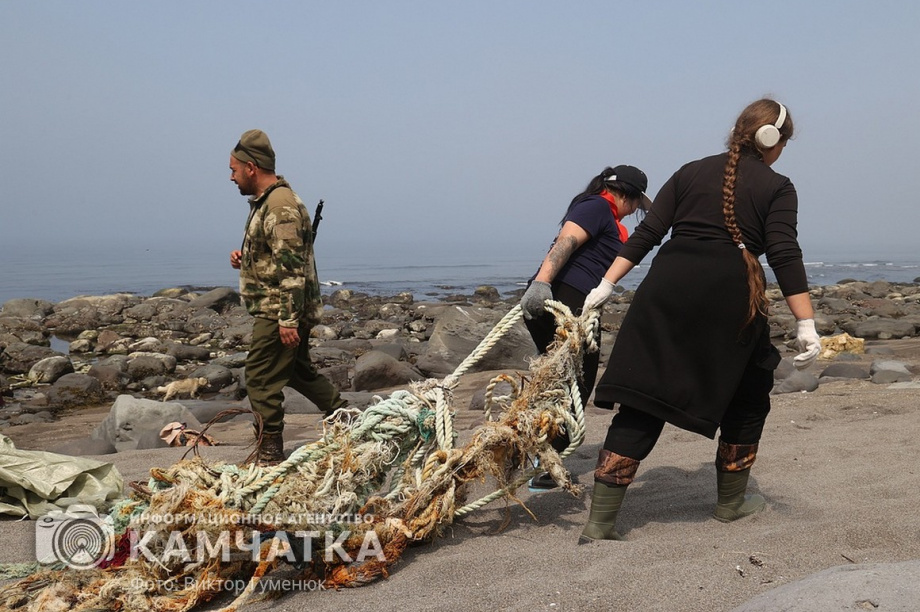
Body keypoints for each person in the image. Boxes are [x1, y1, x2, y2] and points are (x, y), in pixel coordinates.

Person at [578, 99, 821, 541]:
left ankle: (600, 522)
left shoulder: (690, 171)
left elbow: (648, 233)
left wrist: (606, 285)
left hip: (666, 290)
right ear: (772, 141)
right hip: (730, 297)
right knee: (749, 395)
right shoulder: (779, 186)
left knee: (643, 396)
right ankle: (731, 502)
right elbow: (784, 252)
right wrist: (806, 322)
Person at [519, 165, 652, 489]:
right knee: (576, 384)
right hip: (565, 299)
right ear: (626, 194)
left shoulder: (606, 214)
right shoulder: (595, 207)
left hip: (572, 301)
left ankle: (534, 451)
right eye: (636, 203)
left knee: (559, 381)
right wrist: (540, 285)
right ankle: (546, 463)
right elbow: (566, 241)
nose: (636, 210)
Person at [228, 129, 347, 464]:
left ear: (251, 168)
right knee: (295, 371)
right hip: (279, 306)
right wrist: (245, 257)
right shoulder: (269, 203)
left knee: (259, 378)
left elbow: (292, 270)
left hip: (277, 310)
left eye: (234, 170)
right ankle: (343, 416)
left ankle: (269, 452)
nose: (231, 177)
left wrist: (287, 321)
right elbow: (278, 254)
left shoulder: (279, 207)